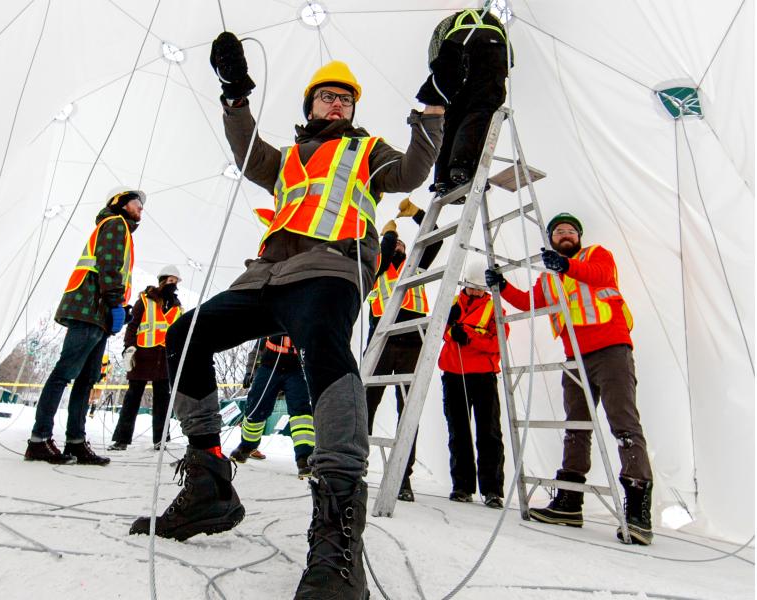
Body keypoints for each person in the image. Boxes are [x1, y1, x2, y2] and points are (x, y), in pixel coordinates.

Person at [129, 30, 452, 600]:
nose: (336, 104)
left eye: (344, 99)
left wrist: (431, 107)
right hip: (267, 276)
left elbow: (411, 174)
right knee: (184, 335)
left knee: (327, 349)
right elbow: (248, 153)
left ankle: (336, 529)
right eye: (327, 96)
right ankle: (208, 477)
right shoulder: (286, 160)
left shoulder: (366, 151)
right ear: (308, 106)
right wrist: (235, 94)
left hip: (329, 270)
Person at [486, 212, 653, 545]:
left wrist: (566, 267)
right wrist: (502, 286)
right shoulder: (550, 277)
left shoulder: (595, 255)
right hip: (575, 357)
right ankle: (569, 501)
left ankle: (638, 509)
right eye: (558, 231)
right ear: (551, 240)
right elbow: (529, 302)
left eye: (570, 231)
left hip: (611, 349)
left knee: (623, 424)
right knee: (576, 428)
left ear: (578, 237)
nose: (565, 234)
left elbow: (600, 275)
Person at [24, 187, 143, 466]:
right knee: (64, 373)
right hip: (89, 308)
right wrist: (115, 301)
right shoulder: (115, 224)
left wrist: (118, 307)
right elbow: (109, 264)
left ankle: (76, 441)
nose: (141, 209)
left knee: (86, 379)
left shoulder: (120, 228)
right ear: (121, 203)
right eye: (137, 203)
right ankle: (38, 439)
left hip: (97, 311)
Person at [364, 197, 443, 502]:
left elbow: (433, 238)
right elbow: (381, 256)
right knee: (367, 405)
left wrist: (416, 215)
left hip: (412, 341)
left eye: (401, 244)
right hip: (382, 342)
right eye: (395, 244)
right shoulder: (377, 269)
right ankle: (356, 465)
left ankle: (402, 476)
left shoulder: (415, 267)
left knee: (407, 411)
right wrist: (387, 236)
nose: (399, 247)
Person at [438, 257, 507, 508]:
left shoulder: (495, 309)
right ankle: (462, 486)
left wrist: (468, 338)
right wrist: (449, 325)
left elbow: (497, 344)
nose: (476, 291)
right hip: (454, 373)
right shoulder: (451, 303)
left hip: (483, 376)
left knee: (488, 432)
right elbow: (439, 332)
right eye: (472, 286)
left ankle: (492, 490)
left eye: (480, 288)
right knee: (458, 431)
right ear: (464, 284)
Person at [426, 8, 512, 198]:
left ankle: (442, 179)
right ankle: (461, 164)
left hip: (453, 50)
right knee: (482, 105)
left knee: (451, 113)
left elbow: (434, 57)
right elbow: (509, 56)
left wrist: (442, 80)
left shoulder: (447, 23)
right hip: (491, 47)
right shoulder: (493, 22)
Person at [108, 266, 184, 451]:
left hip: (164, 358)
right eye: (170, 281)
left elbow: (180, 332)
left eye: (176, 282)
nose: (173, 285)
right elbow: (133, 326)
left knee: (162, 401)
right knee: (132, 398)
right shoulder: (145, 300)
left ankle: (161, 440)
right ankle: (122, 439)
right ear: (162, 281)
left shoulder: (177, 307)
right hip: (142, 355)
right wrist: (129, 347)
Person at [229, 335, 315, 478]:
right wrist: (249, 372)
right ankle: (247, 446)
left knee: (301, 413)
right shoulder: (273, 319)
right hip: (268, 367)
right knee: (256, 407)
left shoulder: (302, 319)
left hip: (296, 371)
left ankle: (304, 458)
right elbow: (256, 350)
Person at [88, 353, 112, 418]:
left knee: (96, 398)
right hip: (94, 381)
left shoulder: (110, 366)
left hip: (101, 383)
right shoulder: (97, 363)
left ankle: (92, 412)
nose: (103, 365)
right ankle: (85, 409)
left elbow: (110, 375)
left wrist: (104, 376)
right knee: (90, 396)